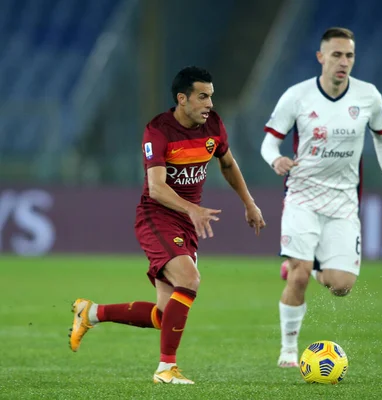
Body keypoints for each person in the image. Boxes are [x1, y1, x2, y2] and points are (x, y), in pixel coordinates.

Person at [69, 66, 266, 384]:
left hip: (187, 221)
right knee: (189, 279)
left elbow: (227, 163)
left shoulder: (213, 126)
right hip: (157, 216)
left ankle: (91, 313)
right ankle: (166, 369)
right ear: (182, 99)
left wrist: (249, 202)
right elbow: (157, 187)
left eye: (211, 97)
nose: (209, 104)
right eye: (202, 97)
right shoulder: (158, 131)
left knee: (164, 315)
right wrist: (193, 209)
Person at [260, 27, 382, 368]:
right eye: (336, 55)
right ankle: (289, 351)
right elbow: (269, 141)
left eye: (349, 55)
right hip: (302, 195)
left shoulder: (369, 96)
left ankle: (307, 265)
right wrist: (275, 159)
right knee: (298, 275)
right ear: (321, 57)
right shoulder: (297, 96)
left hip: (343, 202)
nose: (343, 62)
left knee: (341, 286)